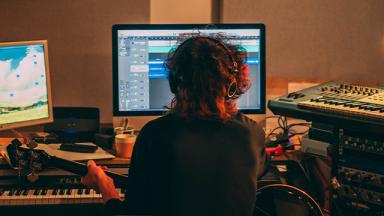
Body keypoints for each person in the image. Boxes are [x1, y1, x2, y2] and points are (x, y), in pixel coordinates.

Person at [82, 35, 267, 216]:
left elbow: (132, 211)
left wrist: (104, 185)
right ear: (232, 85)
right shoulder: (252, 133)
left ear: (173, 83)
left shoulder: (154, 135)